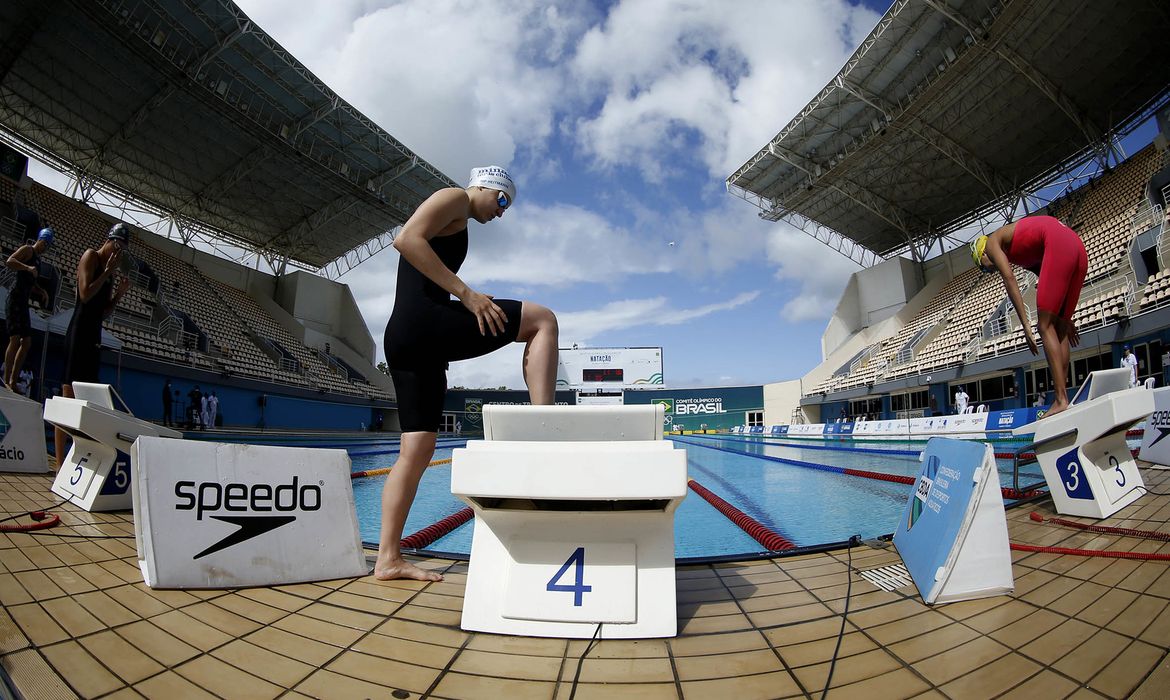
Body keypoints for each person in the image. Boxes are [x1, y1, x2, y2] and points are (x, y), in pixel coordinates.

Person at [376, 165, 558, 582]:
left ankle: (387, 559)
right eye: (503, 200)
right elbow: (405, 240)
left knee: (416, 450)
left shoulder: (459, 216)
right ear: (487, 186)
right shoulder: (454, 197)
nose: (502, 212)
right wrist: (468, 295)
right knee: (542, 320)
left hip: (409, 338)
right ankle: (544, 426)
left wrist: (464, 296)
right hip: (424, 323)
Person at [972, 215, 1087, 418]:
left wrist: (1025, 325)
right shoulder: (1022, 255)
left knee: (1044, 327)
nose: (989, 270)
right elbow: (1048, 274)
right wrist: (1065, 317)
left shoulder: (991, 243)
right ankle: (1064, 399)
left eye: (983, 267)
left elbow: (1009, 279)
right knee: (1059, 328)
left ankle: (1060, 400)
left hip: (1059, 243)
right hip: (1076, 246)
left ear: (982, 253)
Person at [53, 223, 132, 465]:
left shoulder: (111, 271)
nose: (117, 255)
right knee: (68, 395)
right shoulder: (91, 256)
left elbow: (103, 311)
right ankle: (58, 462)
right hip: (79, 330)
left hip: (94, 335)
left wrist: (118, 294)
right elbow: (85, 295)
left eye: (122, 252)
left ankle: (78, 456)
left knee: (86, 397)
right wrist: (107, 273)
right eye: (117, 248)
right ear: (111, 241)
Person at [3, 228, 53, 392]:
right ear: (40, 239)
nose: (45, 247)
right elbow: (10, 261)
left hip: (24, 301)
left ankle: (13, 380)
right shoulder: (27, 250)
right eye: (44, 243)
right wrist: (26, 267)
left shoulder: (37, 260)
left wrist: (42, 291)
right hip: (14, 297)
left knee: (27, 342)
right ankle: (6, 379)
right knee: (15, 339)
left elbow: (31, 283)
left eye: (48, 245)